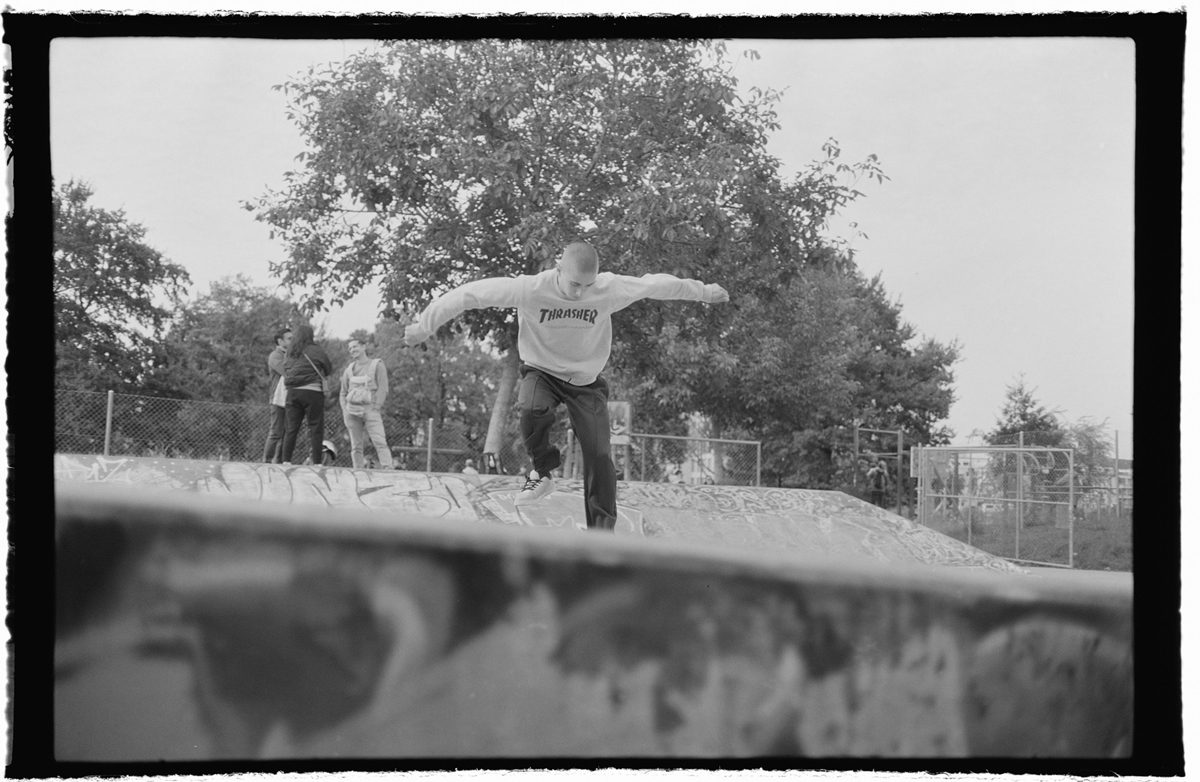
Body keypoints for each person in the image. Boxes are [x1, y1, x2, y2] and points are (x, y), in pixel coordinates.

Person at [403, 241, 729, 531]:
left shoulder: (609, 288)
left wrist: (702, 292)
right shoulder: (529, 289)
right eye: (574, 284)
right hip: (541, 372)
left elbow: (655, 285)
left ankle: (601, 535)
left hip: (585, 383)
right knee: (532, 408)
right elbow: (469, 294)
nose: (579, 293)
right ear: (558, 267)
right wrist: (423, 325)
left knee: (599, 454)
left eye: (587, 286)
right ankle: (542, 472)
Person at [280, 323, 333, 465]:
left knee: (291, 428)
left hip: (292, 393)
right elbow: (328, 368)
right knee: (315, 427)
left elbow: (285, 369)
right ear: (311, 335)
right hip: (312, 392)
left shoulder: (290, 351)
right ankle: (317, 462)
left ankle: (286, 460)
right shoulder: (316, 350)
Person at [339, 338, 395, 470]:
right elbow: (343, 392)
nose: (352, 350)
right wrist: (344, 411)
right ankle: (357, 470)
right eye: (350, 348)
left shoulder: (377, 365)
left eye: (355, 346)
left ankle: (388, 468)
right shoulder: (349, 370)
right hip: (352, 410)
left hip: (370, 408)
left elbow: (383, 388)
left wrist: (377, 406)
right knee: (356, 446)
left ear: (364, 347)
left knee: (379, 440)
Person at [262, 327, 292, 463]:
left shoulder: (293, 355)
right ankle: (267, 461)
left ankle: (279, 461)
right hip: (278, 399)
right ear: (280, 341)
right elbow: (287, 372)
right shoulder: (275, 356)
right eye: (289, 339)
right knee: (276, 432)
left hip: (291, 398)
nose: (293, 341)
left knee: (287, 432)